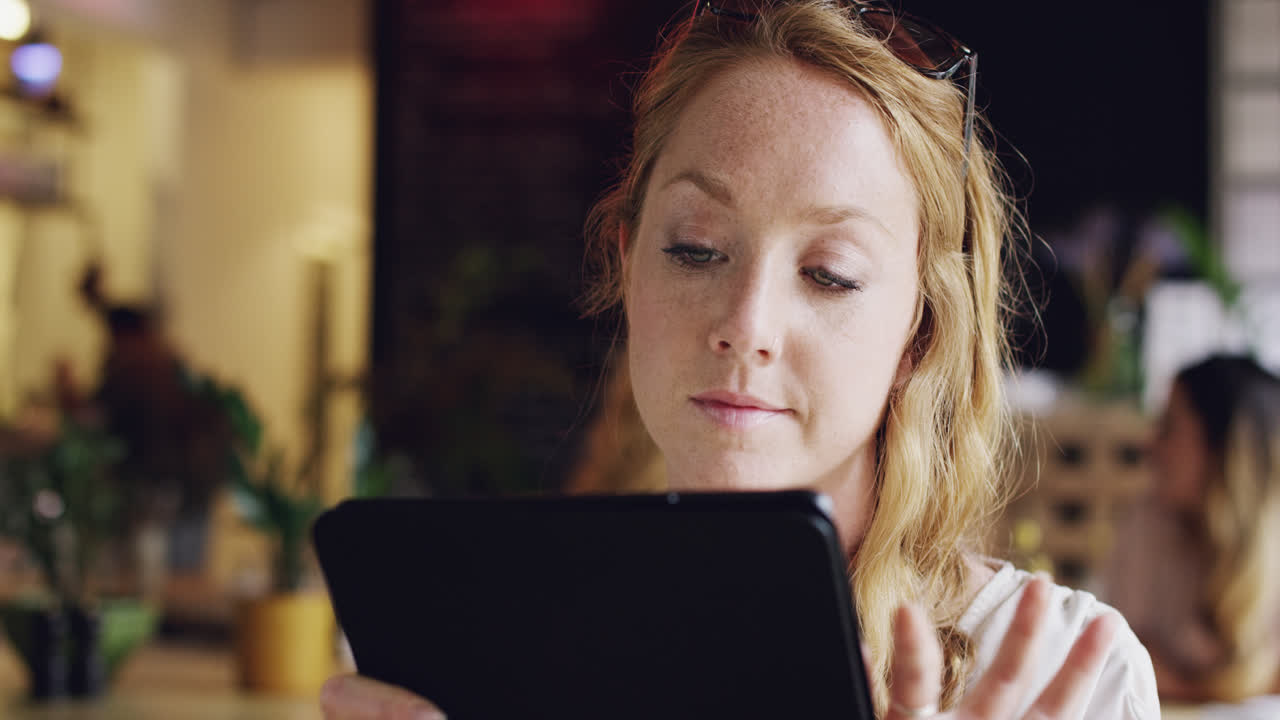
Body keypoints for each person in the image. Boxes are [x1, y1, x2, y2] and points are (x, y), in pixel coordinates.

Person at [322, 1, 1159, 717]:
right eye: (694, 249)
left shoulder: (1063, 675)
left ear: (921, 332)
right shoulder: (493, 649)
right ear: (626, 264)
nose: (745, 324)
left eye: (829, 274)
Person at [1105, 355, 1280, 702]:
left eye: (1169, 426)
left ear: (1225, 450)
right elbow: (1119, 661)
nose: (1150, 444)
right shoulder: (1146, 524)